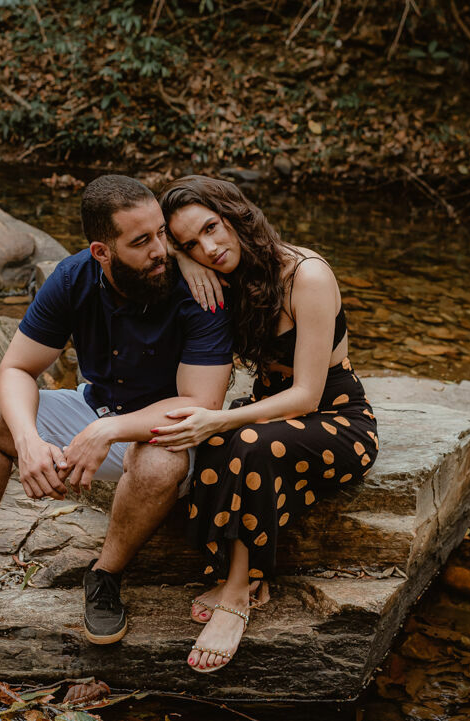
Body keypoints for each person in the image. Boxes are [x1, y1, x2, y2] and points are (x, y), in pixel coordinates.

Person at [0, 175, 233, 645]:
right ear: (101, 252)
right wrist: (28, 442)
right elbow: (16, 369)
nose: (161, 250)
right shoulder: (73, 278)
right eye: (141, 241)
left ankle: (104, 576)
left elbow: (199, 404)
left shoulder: (198, 291)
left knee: (158, 460)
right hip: (97, 408)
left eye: (162, 234)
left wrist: (108, 430)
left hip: (172, 434)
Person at [152, 175, 379, 673]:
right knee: (220, 444)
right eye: (191, 243)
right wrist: (183, 260)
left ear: (236, 214)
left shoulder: (307, 275)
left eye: (212, 228)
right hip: (272, 414)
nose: (209, 248)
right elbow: (153, 246)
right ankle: (249, 573)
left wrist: (219, 418)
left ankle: (236, 592)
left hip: (337, 420)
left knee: (246, 441)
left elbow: (306, 396)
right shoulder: (224, 275)